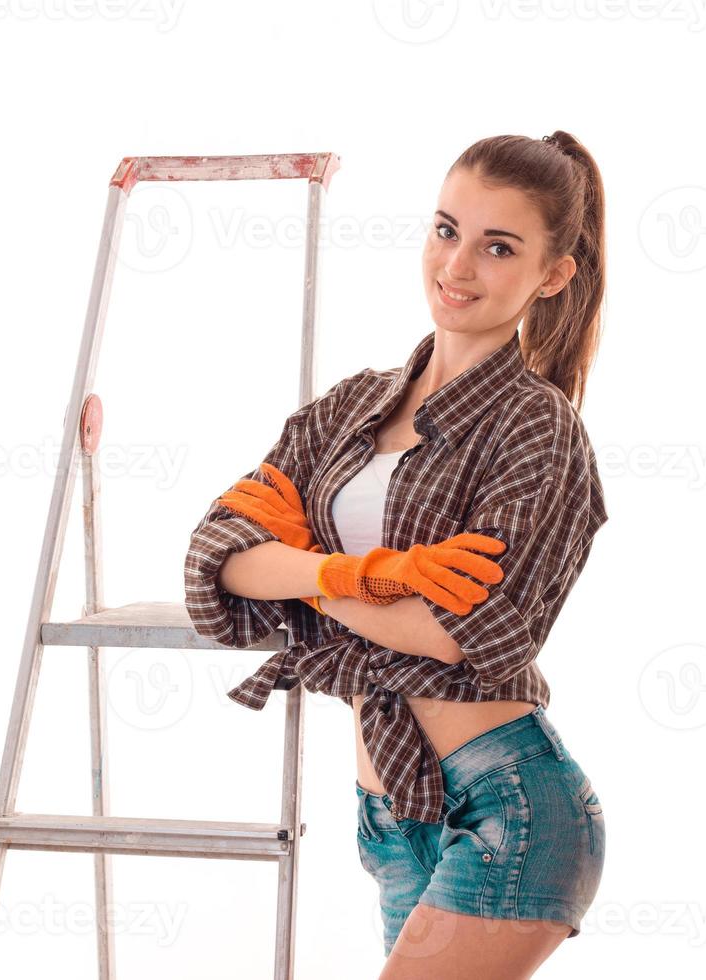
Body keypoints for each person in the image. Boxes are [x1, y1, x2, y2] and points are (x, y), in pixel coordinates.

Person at [184, 132, 610, 979]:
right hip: (390, 818)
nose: (458, 264)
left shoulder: (537, 428)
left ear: (552, 275)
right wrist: (350, 573)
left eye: (499, 247)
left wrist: (300, 569)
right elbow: (218, 552)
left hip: (507, 805)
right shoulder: (351, 407)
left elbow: (462, 634)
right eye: (448, 230)